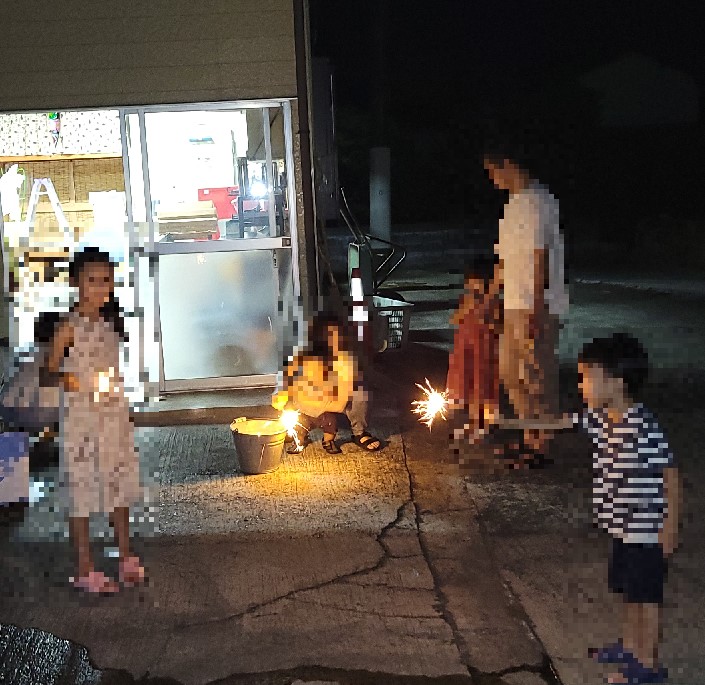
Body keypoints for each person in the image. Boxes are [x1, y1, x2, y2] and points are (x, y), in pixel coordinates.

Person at [549, 333, 679, 684]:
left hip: (647, 530)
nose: (581, 386)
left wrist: (670, 526)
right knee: (627, 591)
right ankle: (630, 646)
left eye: (586, 377)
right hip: (623, 528)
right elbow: (562, 422)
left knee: (646, 598)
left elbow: (670, 472)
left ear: (617, 383)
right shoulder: (603, 419)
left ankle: (647, 666)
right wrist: (508, 422)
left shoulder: (643, 428)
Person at [43, 248, 144, 595]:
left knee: (118, 481)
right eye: (92, 280)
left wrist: (122, 406)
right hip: (82, 419)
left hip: (111, 414)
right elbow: (48, 370)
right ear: (76, 282)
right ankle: (85, 566)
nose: (101, 288)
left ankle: (125, 556)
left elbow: (112, 369)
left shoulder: (109, 323)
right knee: (82, 488)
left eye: (106, 280)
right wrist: (67, 379)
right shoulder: (69, 327)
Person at [483, 141, 569, 461]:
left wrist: (537, 307)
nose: (493, 179)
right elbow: (504, 260)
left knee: (536, 374)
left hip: (536, 304)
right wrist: (489, 297)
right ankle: (529, 433)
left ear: (508, 163)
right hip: (515, 302)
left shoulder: (538, 201)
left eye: (493, 172)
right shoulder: (513, 204)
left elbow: (539, 257)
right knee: (509, 371)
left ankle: (540, 444)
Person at [272, 312, 382, 455]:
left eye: (338, 335)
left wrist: (319, 401)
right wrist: (280, 393)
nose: (334, 340)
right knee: (287, 399)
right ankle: (296, 431)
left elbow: (340, 400)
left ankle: (358, 432)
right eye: (329, 336)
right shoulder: (302, 354)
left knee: (361, 390)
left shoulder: (345, 359)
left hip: (334, 404)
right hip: (306, 402)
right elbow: (285, 376)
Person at [447, 255, 501, 439]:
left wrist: (486, 315)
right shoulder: (467, 299)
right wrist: (465, 310)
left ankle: (484, 425)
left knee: (482, 388)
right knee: (468, 388)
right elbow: (454, 320)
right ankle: (472, 422)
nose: (471, 286)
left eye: (475, 282)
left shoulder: (493, 303)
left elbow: (498, 326)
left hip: (484, 352)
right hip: (466, 351)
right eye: (469, 282)